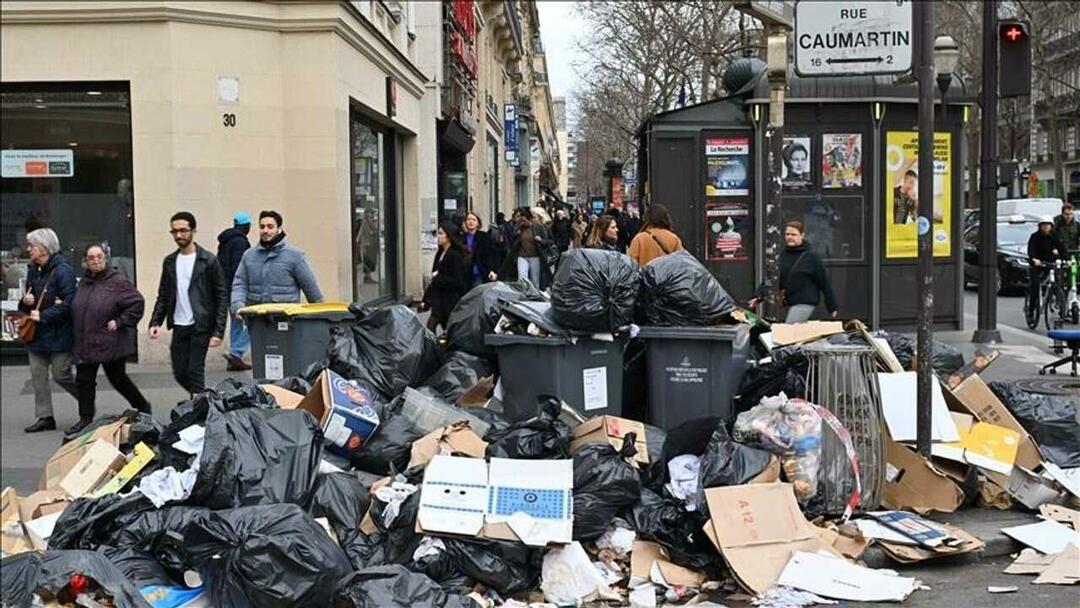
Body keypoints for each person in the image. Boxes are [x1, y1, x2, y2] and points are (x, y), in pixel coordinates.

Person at [70, 243, 151, 436]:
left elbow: (137, 302)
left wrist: (120, 321)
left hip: (109, 341)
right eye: (91, 258)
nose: (95, 260)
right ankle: (85, 419)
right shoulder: (84, 283)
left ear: (105, 259)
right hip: (86, 341)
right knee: (84, 381)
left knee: (118, 379)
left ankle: (143, 408)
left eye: (99, 257)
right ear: (85, 262)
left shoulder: (117, 281)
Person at [149, 212, 228, 395]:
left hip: (200, 324)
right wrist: (155, 322)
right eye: (174, 231)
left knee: (194, 371)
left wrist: (218, 331)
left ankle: (200, 411)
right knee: (179, 372)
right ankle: (205, 402)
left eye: (183, 230)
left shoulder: (208, 260)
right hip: (179, 325)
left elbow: (221, 296)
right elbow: (163, 294)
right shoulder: (169, 261)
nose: (179, 235)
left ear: (193, 230)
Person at [19, 228, 78, 433]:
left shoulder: (63, 271)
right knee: (38, 376)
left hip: (60, 333)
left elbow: (71, 302)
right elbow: (27, 303)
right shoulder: (33, 270)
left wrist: (44, 315)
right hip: (37, 335)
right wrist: (25, 302)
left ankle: (85, 399)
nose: (28, 249)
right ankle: (45, 417)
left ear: (44, 248)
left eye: (32, 246)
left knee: (61, 374)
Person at [230, 210, 323, 320]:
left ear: (279, 229)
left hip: (287, 322)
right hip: (256, 322)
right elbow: (240, 284)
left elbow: (310, 288)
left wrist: (321, 317)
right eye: (262, 226)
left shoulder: (295, 256)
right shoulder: (248, 256)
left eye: (270, 227)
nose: (265, 230)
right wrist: (238, 306)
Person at [750, 221, 838, 323]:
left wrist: (832, 307)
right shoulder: (782, 256)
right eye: (787, 234)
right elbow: (771, 279)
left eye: (794, 234)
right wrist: (758, 296)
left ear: (802, 235)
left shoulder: (811, 257)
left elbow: (824, 283)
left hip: (805, 302)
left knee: (788, 331)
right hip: (787, 302)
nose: (790, 237)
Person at [216, 211, 252, 371]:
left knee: (237, 323)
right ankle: (236, 352)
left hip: (225, 287)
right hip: (237, 289)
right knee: (253, 322)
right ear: (247, 226)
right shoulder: (240, 243)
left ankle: (234, 357)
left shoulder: (225, 241)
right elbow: (239, 267)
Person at [423, 221, 469, 332]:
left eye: (440, 233)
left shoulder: (454, 255)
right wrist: (426, 300)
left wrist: (438, 277)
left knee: (448, 331)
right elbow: (434, 281)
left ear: (449, 236)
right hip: (438, 301)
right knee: (430, 328)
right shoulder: (440, 253)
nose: (437, 237)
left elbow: (457, 281)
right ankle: (432, 348)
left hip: (449, 302)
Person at [502, 209, 551, 288]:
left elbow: (547, 241)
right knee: (522, 278)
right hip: (522, 256)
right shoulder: (519, 228)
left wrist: (540, 240)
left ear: (530, 219)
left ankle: (535, 295)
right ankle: (523, 294)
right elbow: (511, 240)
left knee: (535, 279)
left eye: (524, 221)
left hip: (535, 256)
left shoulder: (538, 227)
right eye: (521, 221)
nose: (522, 223)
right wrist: (516, 234)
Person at [1027, 216, 1064, 313]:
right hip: (1038, 265)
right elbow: (1031, 251)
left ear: (1051, 226)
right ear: (1040, 226)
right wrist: (1034, 259)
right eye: (1044, 225)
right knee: (1035, 286)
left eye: (1048, 225)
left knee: (1058, 280)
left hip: (1050, 264)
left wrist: (1066, 259)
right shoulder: (1034, 237)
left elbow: (1062, 249)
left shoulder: (1054, 236)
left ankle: (1058, 302)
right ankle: (1031, 310)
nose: (1046, 227)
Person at [462, 211, 498, 288]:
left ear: (478, 223)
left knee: (478, 294)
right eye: (468, 219)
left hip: (478, 271)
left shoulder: (484, 237)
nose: (471, 222)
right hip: (465, 272)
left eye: (474, 220)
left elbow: (491, 254)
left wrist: (492, 270)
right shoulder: (461, 237)